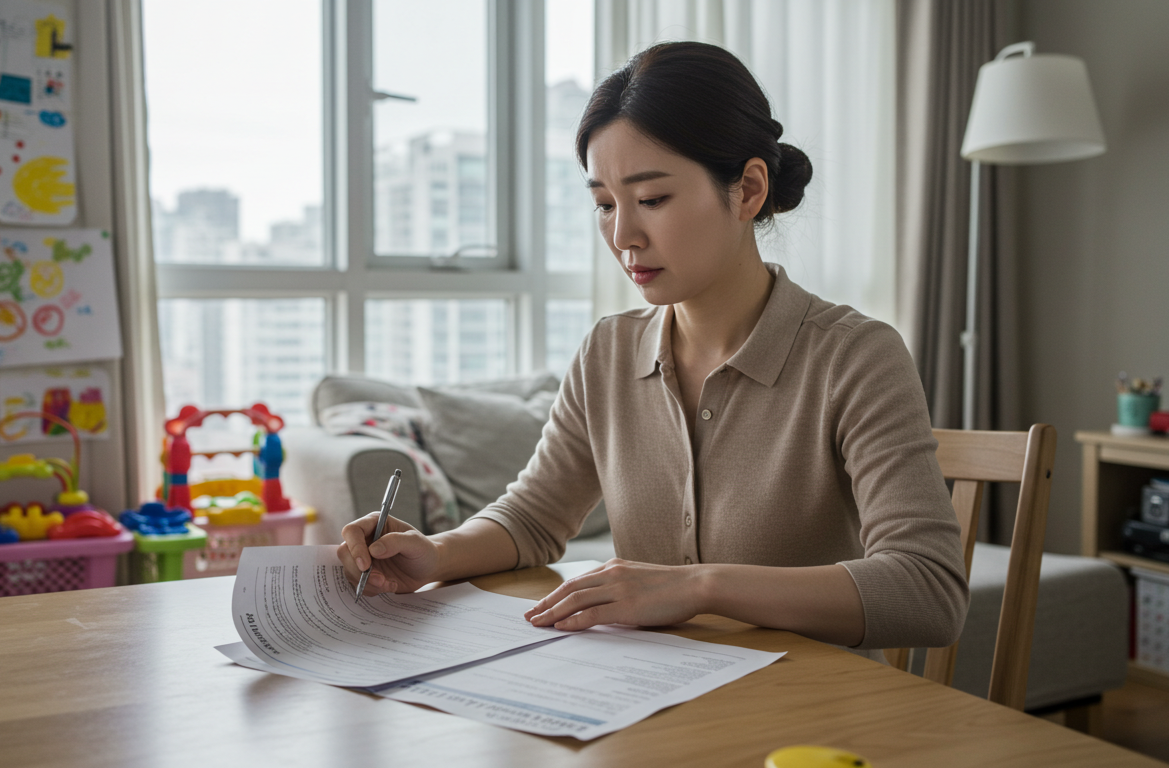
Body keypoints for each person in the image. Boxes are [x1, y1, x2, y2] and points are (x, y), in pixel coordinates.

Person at [338, 41, 968, 655]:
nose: (623, 235)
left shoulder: (854, 357)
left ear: (748, 190)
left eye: (652, 199)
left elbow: (928, 589)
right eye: (605, 204)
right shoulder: (608, 351)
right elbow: (533, 517)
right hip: (650, 706)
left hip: (804, 728)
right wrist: (437, 552)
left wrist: (700, 586)